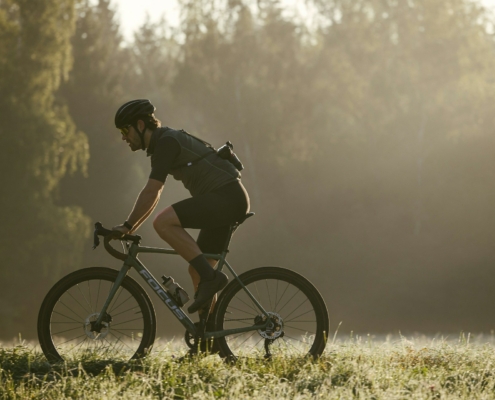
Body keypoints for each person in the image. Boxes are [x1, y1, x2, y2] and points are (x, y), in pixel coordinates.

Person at [111, 99, 250, 316]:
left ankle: (212, 279)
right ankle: (209, 337)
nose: (123, 137)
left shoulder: (166, 142)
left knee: (163, 222)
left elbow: (152, 191)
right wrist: (130, 227)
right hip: (228, 199)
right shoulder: (162, 144)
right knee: (196, 269)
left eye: (124, 130)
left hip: (227, 197)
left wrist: (128, 225)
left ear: (140, 125)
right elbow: (154, 195)